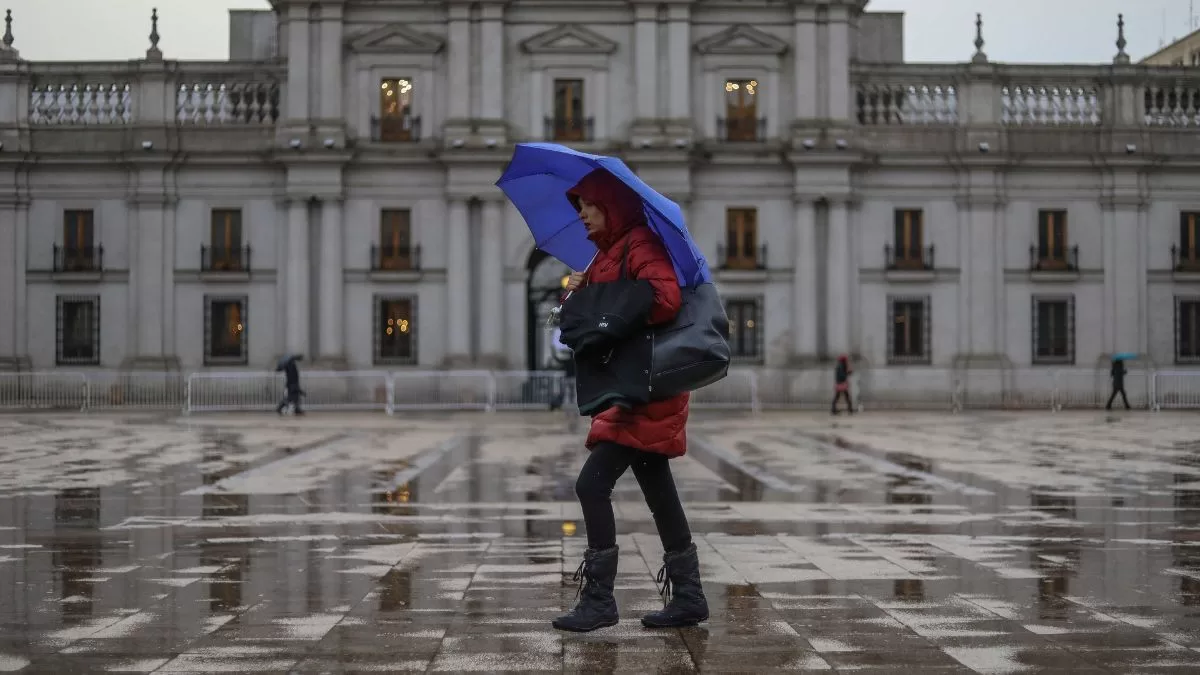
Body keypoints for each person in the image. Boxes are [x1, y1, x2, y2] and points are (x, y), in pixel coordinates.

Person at [551, 168, 708, 633]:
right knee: (658, 489)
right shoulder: (607, 255)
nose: (580, 214)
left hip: (643, 389)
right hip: (634, 388)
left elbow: (663, 298)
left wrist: (607, 298)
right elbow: (607, 310)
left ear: (610, 205)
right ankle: (689, 597)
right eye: (577, 205)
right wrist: (585, 291)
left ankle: (600, 600)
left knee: (591, 485)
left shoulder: (638, 244)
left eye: (588, 204)